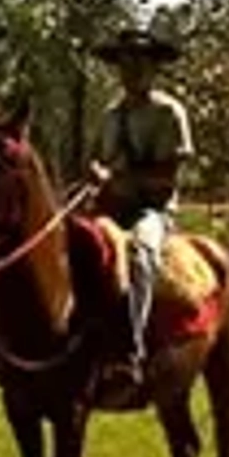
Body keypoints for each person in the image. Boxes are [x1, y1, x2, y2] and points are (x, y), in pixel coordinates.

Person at [87, 28, 194, 388]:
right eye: (124, 63)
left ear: (153, 68)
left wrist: (126, 180)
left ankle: (130, 351)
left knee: (140, 254)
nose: (131, 70)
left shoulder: (169, 113)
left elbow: (168, 176)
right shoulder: (110, 115)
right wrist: (97, 175)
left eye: (139, 62)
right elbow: (98, 160)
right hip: (110, 205)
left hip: (152, 209)